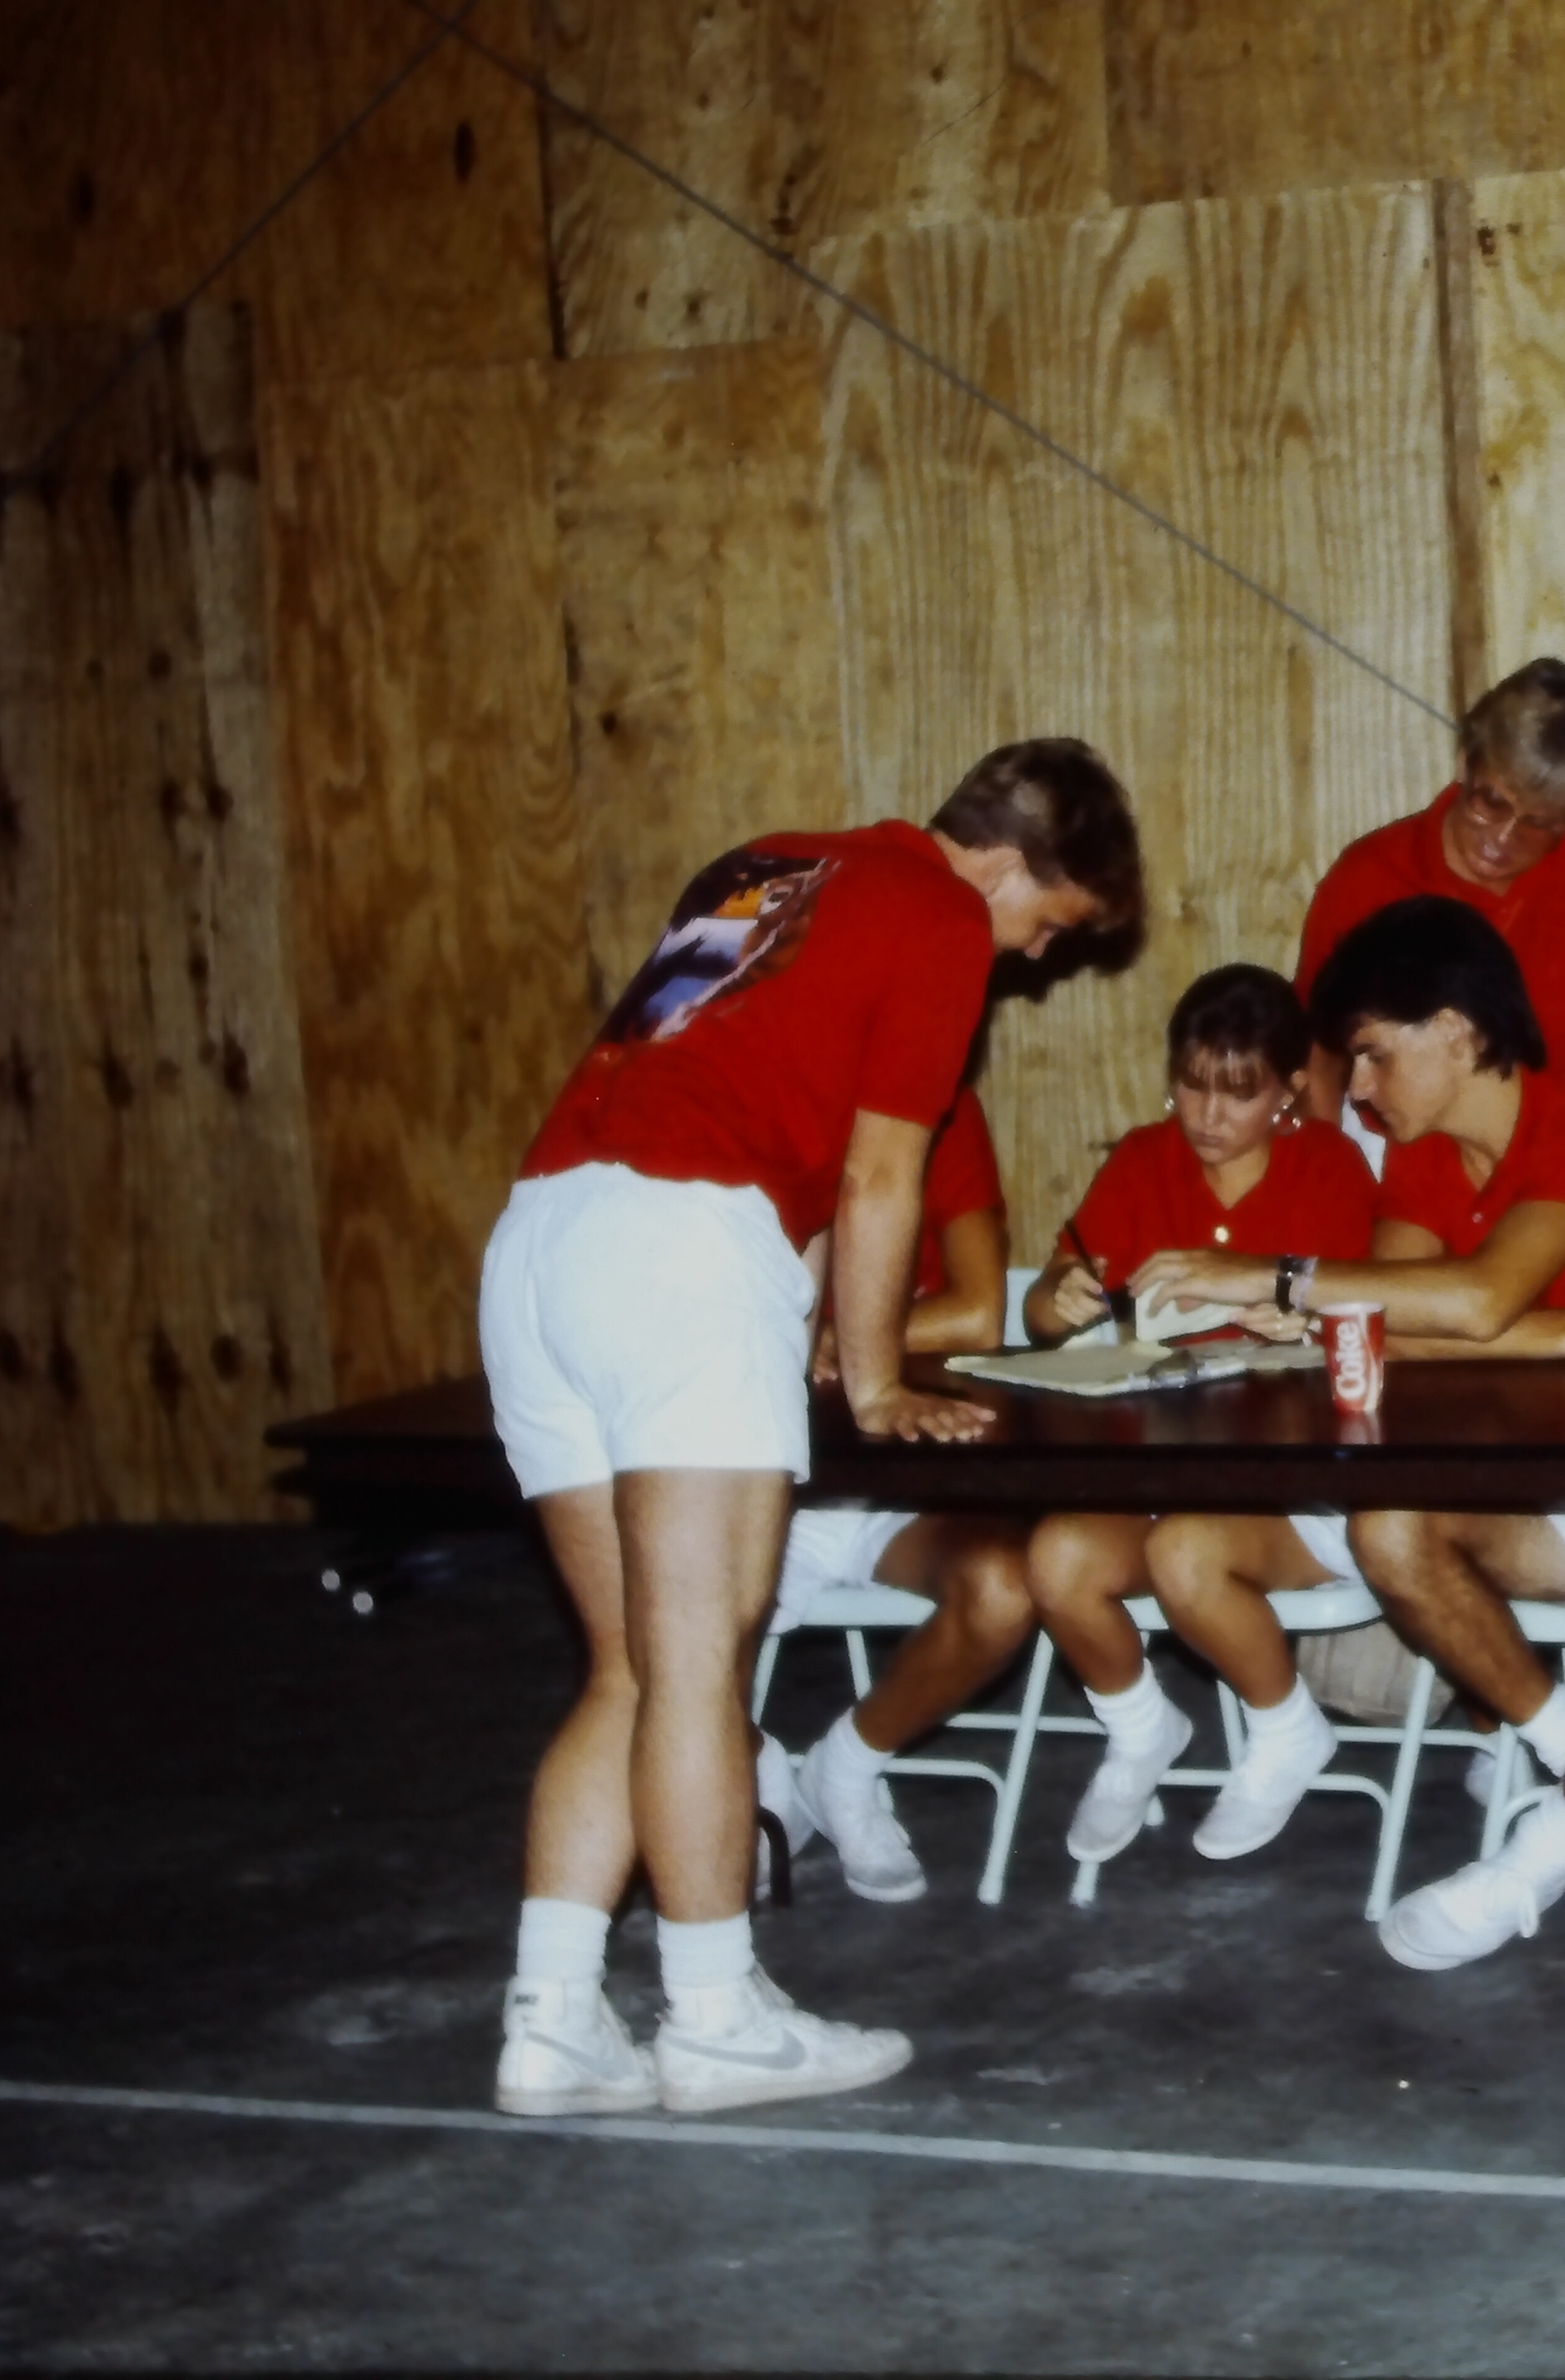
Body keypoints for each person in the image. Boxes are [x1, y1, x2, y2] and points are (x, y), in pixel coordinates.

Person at [479, 739, 1141, 2117]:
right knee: (698, 1669)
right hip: (684, 1249)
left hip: (545, 1236)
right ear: (1005, 864)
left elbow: (787, 1129)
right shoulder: (939, 911)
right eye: (1048, 922)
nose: (1032, 955)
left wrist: (803, 1336)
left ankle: (552, 2019)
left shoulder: (766, 865)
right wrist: (879, 1380)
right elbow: (884, 1170)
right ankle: (715, 2013)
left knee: (631, 1668)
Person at [1131, 897, 1565, 1970]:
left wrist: (1271, 1276)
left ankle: (1534, 1861)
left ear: (1458, 1031)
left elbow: (1470, 1303)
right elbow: (1387, 1328)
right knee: (1388, 1524)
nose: (1359, 1088)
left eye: (1373, 1054)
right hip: (1529, 1498)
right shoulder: (1423, 1158)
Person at [1015, 966, 1381, 1867]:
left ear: (1290, 1089)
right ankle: (1140, 1727)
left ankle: (1286, 1727)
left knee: (1186, 1550)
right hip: (1158, 1462)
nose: (1208, 1115)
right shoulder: (1144, 1159)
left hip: (1290, 1480)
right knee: (1057, 1556)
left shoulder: (1329, 1167)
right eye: (1191, 1084)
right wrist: (1057, 1300)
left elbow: (1366, 1322)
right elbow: (1050, 1304)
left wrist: (1300, 1318)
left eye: (1239, 1092)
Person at [1294, 657, 1565, 1268]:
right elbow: (1318, 1068)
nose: (1502, 838)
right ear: (1465, 763)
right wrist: (1338, 1211)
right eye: (1490, 802)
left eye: (1539, 824)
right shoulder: (1369, 878)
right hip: (1422, 1186)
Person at [752, 1075, 1044, 1905]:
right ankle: (760, 1772)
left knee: (1001, 1587)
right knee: (663, 1637)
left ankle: (845, 1769)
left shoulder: (934, 1101)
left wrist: (850, 1339)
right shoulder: (762, 1102)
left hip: (901, 1479)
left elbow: (978, 1313)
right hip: (769, 1482)